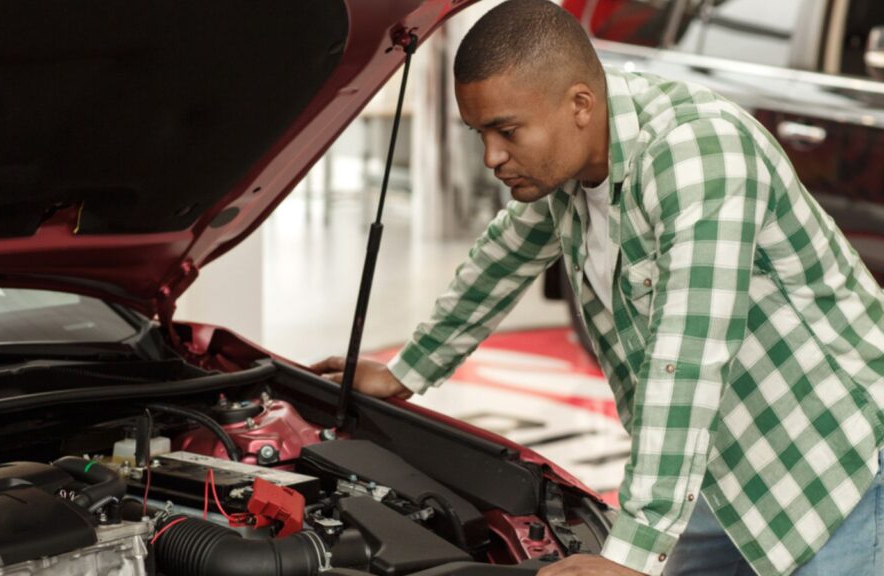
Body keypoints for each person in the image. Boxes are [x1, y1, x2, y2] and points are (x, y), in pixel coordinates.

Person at [313, 1, 884, 575]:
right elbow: (504, 254)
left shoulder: (698, 159)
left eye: (506, 131)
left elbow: (686, 360)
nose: (491, 156)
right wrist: (407, 369)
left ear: (580, 104)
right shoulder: (576, 156)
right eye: (480, 132)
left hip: (836, 466)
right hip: (721, 463)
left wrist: (633, 554)